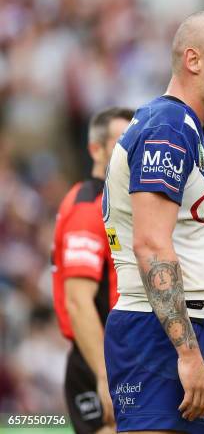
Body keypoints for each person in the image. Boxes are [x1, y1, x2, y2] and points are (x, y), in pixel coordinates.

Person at [102, 11, 204, 434]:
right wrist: (187, 353)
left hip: (183, 326)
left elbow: (187, 245)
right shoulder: (168, 127)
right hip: (158, 332)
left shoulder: (189, 128)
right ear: (193, 60)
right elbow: (150, 246)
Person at [52, 107, 134, 434]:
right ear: (95, 149)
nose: (132, 149)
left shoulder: (118, 201)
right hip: (101, 360)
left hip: (122, 355)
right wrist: (104, 374)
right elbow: (78, 302)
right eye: (122, 141)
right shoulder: (89, 207)